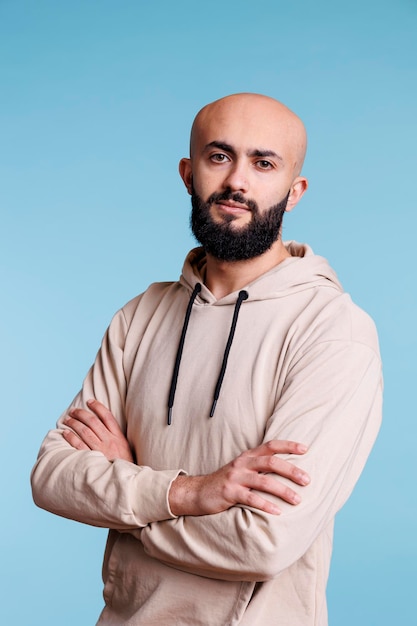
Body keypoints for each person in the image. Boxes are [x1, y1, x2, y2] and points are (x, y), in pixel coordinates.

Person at [31, 93, 382, 626]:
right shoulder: (139, 317)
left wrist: (126, 487)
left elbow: (263, 543)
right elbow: (53, 476)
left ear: (295, 192)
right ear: (188, 173)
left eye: (264, 163)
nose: (238, 182)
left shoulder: (333, 332)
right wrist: (190, 493)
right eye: (219, 157)